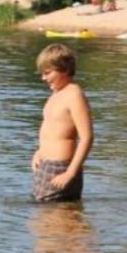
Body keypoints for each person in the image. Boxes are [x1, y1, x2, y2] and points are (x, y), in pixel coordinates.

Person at [31, 44, 94, 202]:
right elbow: (53, 128)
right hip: (46, 165)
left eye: (48, 73)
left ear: (65, 69)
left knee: (55, 218)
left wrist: (70, 173)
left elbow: (87, 137)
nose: (43, 78)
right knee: (44, 220)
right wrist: (40, 151)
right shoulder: (56, 93)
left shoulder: (74, 95)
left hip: (61, 168)